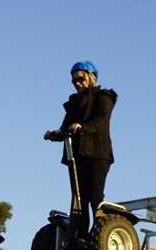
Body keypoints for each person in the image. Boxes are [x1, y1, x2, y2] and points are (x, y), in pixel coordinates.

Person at [44, 61, 118, 238]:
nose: (77, 83)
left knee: (94, 194)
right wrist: (54, 134)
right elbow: (65, 128)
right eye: (74, 80)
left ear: (91, 77)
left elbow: (101, 120)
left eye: (81, 78)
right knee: (78, 198)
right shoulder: (74, 103)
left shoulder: (103, 96)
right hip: (76, 155)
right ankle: (80, 236)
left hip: (97, 153)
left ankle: (101, 233)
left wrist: (81, 126)